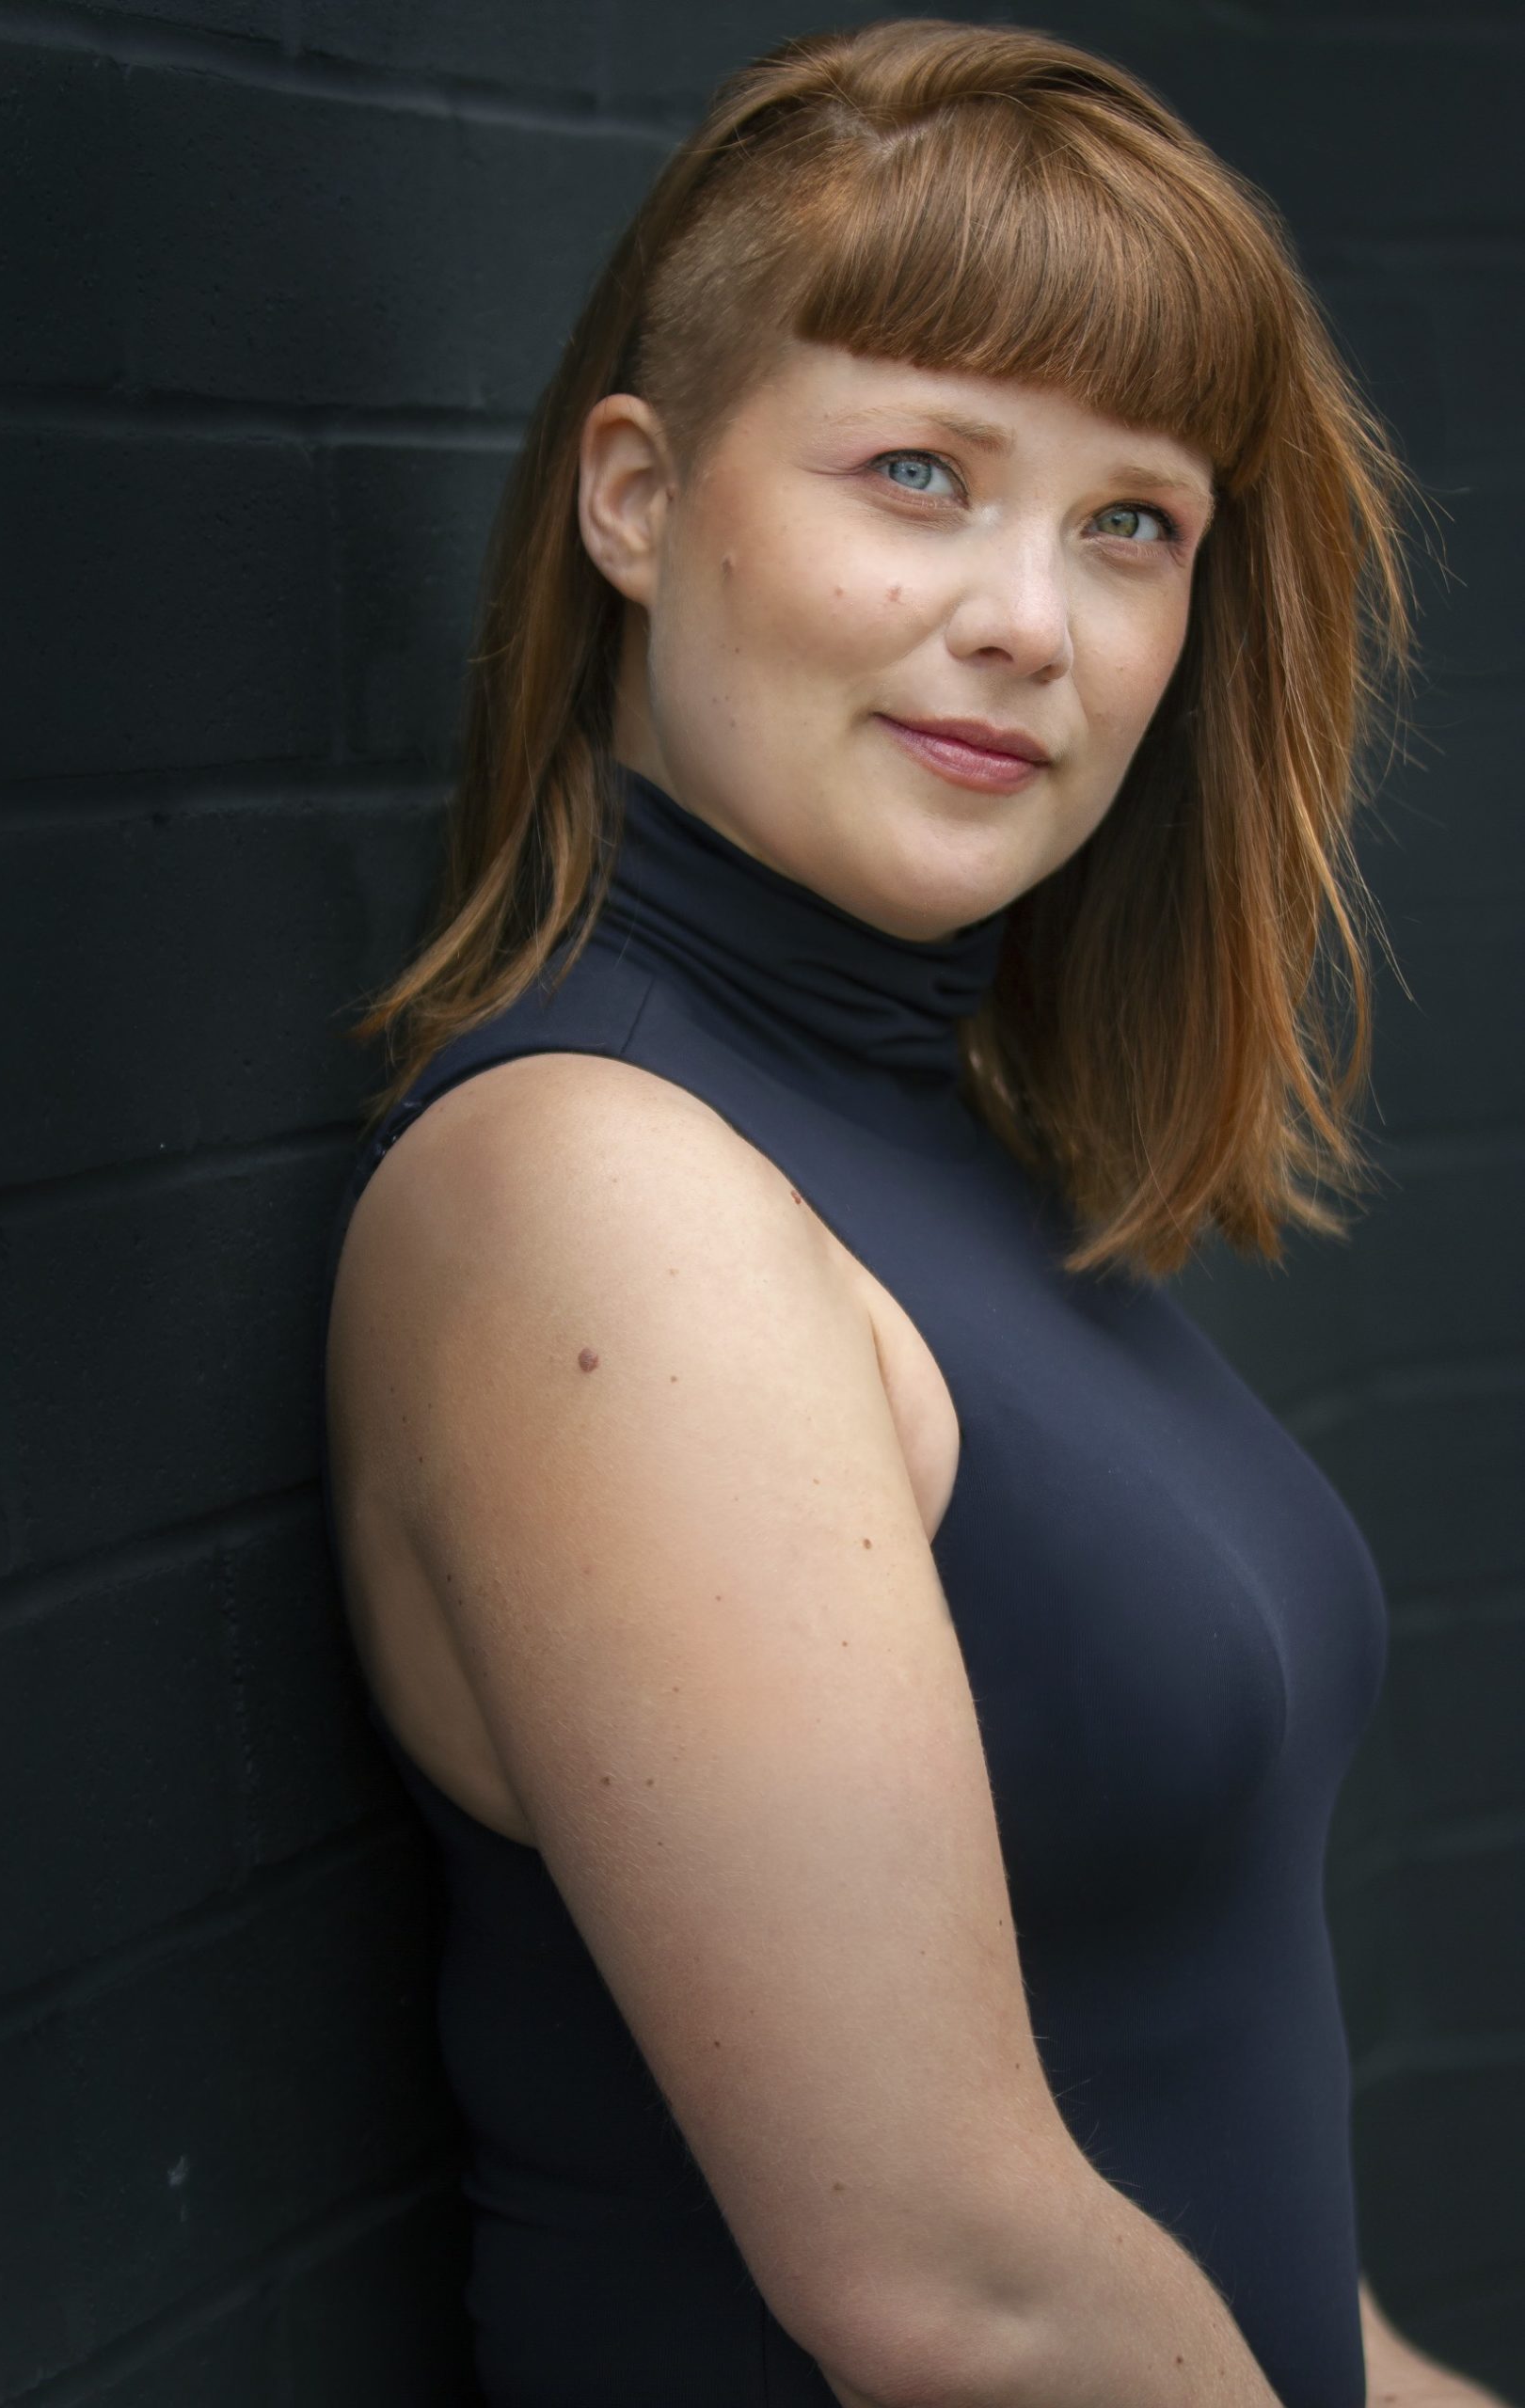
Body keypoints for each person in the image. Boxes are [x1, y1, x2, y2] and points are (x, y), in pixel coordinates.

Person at [321, 19, 1501, 2408]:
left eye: (1128, 523)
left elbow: (1211, 2136)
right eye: (917, 473)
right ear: (634, 495)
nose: (1029, 622)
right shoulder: (601, 1200)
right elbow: (956, 2288)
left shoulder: (942, 1151)